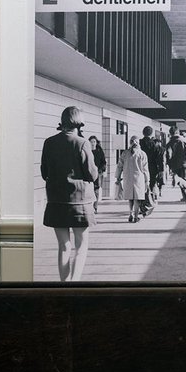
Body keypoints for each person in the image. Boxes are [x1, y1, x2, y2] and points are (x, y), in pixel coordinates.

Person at [41, 106, 98, 281]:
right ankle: (75, 282)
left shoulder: (49, 143)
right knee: (81, 245)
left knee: (63, 246)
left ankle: (64, 284)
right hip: (79, 202)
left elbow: (44, 173)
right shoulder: (82, 143)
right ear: (79, 122)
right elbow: (91, 174)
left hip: (57, 201)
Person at [116, 135, 150, 223]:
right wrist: (147, 180)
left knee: (130, 198)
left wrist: (118, 177)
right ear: (138, 143)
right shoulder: (142, 154)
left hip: (128, 178)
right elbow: (145, 169)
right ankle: (135, 216)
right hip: (139, 178)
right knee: (137, 199)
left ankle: (130, 214)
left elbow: (119, 166)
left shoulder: (125, 153)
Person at [166, 126, 186, 211]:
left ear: (171, 133)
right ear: (178, 132)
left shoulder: (170, 143)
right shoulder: (185, 140)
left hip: (177, 165)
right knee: (185, 184)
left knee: (183, 186)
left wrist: (170, 165)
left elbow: (168, 155)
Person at [88, 135, 107, 213]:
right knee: (89, 190)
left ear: (96, 142)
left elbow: (104, 162)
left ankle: (95, 207)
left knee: (96, 190)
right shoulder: (87, 151)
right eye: (91, 142)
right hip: (89, 172)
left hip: (98, 173)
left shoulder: (99, 151)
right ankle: (89, 206)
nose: (92, 143)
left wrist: (101, 169)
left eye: (94, 142)